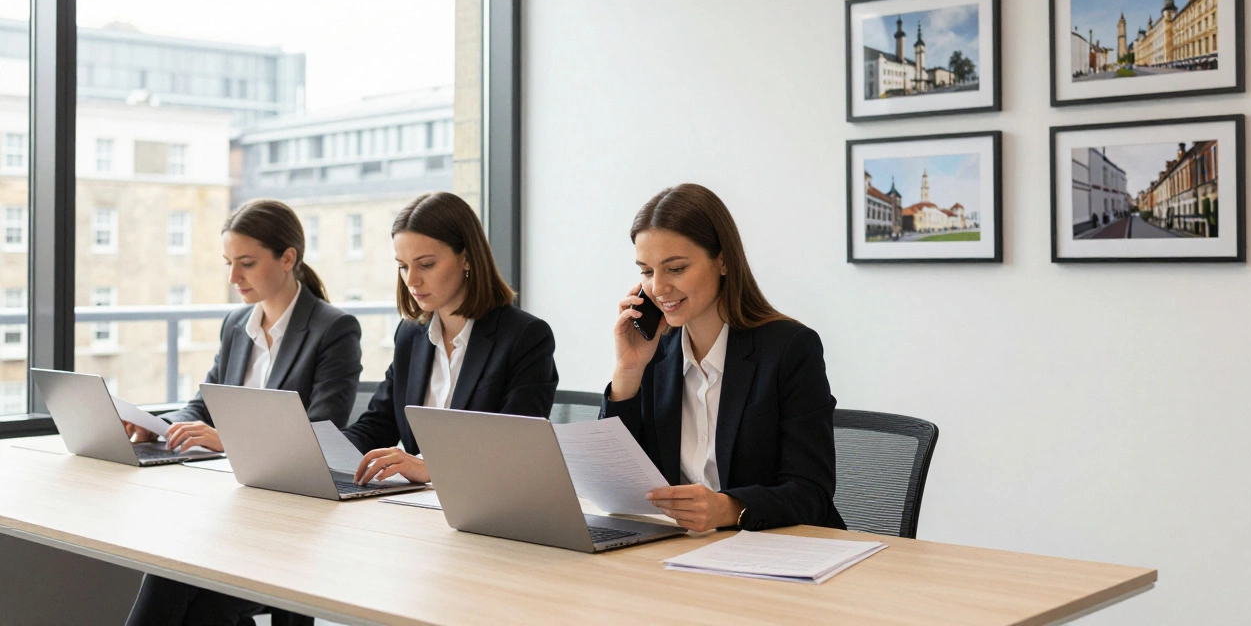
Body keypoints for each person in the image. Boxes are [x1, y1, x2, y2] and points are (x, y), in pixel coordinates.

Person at [125, 199, 362, 626]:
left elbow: (322, 433)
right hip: (230, 507)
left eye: (247, 263)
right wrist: (162, 428)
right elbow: (204, 402)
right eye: (229, 263)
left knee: (187, 591)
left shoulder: (334, 328)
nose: (233, 277)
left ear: (288, 258)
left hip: (290, 518)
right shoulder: (237, 325)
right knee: (175, 577)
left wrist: (230, 441)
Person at [605, 183, 844, 532]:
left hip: (773, 554)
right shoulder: (654, 355)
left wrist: (728, 508)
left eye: (675, 268)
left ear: (723, 262)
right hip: (681, 555)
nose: (657, 288)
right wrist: (627, 370)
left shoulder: (790, 349)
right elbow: (614, 486)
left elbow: (811, 492)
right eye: (646, 271)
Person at [344, 191, 558, 486]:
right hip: (415, 505)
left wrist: (429, 468)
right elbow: (378, 424)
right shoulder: (411, 335)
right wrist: (321, 450)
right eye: (403, 266)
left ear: (467, 258)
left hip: (486, 505)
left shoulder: (524, 337)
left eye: (426, 264)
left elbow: (514, 449)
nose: (412, 280)